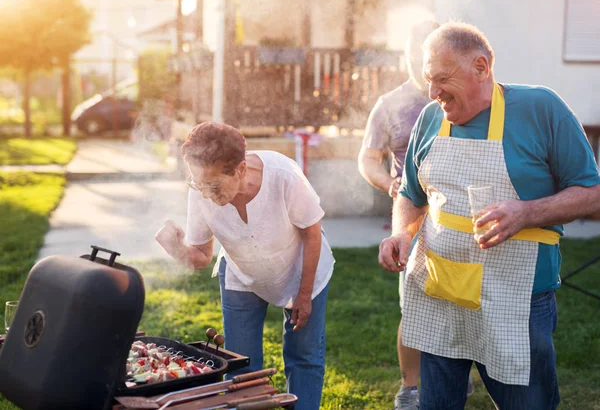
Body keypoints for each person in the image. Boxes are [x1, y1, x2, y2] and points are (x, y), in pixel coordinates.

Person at [378, 22, 600, 410]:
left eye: (442, 79)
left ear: (480, 67)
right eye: (429, 80)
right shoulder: (431, 118)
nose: (433, 93)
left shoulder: (540, 109)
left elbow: (593, 193)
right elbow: (411, 195)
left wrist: (527, 212)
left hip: (516, 301)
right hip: (442, 294)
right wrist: (401, 233)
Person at [155, 122, 335, 410]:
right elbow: (202, 255)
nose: (204, 193)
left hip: (301, 268)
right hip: (242, 272)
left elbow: (312, 233)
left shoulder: (283, 175)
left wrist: (304, 294)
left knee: (304, 355)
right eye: (197, 183)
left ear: (240, 169)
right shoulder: (201, 192)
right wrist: (176, 248)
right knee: (240, 365)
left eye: (212, 185)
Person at [359, 20, 470, 410]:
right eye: (408, 52)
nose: (414, 61)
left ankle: (459, 374)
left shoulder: (468, 97)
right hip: (413, 218)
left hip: (461, 217)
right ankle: (411, 386)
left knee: (465, 299)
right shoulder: (389, 104)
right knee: (416, 306)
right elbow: (368, 159)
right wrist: (389, 185)